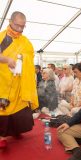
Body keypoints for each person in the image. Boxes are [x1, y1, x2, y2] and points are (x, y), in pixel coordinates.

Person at [0, 11, 38, 148]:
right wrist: (7, 59)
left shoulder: (24, 41)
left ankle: (16, 130)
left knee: (20, 109)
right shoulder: (4, 37)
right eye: (17, 26)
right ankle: (1, 137)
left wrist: (23, 59)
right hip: (3, 82)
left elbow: (30, 56)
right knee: (3, 109)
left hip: (19, 82)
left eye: (23, 26)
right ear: (10, 22)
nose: (20, 29)